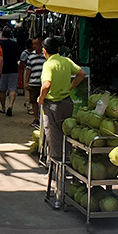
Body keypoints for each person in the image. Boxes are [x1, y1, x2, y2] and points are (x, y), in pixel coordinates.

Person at [37, 36, 86, 170]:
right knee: (66, 132)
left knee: (53, 134)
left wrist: (41, 98)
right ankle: (68, 159)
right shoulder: (66, 61)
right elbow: (81, 73)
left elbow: (46, 85)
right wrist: (70, 86)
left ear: (44, 51)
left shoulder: (48, 64)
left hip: (52, 104)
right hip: (67, 103)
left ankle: (55, 165)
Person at [0, 27, 21, 117]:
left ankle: (3, 107)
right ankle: (10, 105)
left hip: (1, 69)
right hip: (13, 68)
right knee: (12, 88)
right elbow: (19, 55)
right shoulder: (15, 44)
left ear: (2, 34)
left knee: (2, 89)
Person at [20, 37, 46, 121]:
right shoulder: (31, 56)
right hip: (34, 82)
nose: (34, 46)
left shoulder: (46, 56)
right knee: (34, 101)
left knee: (44, 102)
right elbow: (28, 70)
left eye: (36, 44)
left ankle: (43, 118)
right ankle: (36, 118)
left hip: (44, 83)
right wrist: (26, 82)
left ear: (40, 44)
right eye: (33, 44)